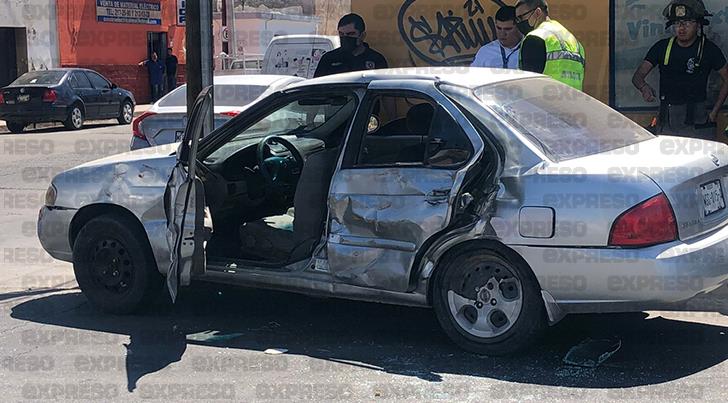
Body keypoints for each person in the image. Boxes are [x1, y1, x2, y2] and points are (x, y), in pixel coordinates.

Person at [632, 0, 728, 139]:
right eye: (677, 23)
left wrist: (714, 113)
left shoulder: (708, 49)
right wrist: (643, 87)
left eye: (687, 22)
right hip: (667, 121)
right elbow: (638, 76)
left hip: (698, 122)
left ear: (698, 24)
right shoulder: (662, 47)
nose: (681, 27)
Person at [515, 0, 586, 90]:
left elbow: (528, 85)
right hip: (573, 102)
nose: (519, 22)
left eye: (521, 17)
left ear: (537, 13)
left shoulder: (535, 38)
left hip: (544, 102)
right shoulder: (575, 42)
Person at [313, 13, 388, 78]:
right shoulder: (329, 59)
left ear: (362, 35)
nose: (345, 38)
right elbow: (315, 88)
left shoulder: (376, 60)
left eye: (351, 34)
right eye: (341, 34)